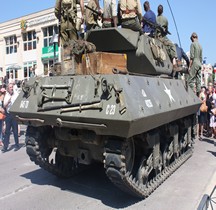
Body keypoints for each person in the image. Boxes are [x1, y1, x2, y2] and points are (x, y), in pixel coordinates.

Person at [156, 4, 178, 69]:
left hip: (156, 36)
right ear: (162, 11)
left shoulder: (155, 18)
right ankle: (174, 63)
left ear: (157, 11)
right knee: (172, 46)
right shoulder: (165, 19)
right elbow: (166, 29)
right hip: (162, 37)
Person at [2, 83, 19, 152]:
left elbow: (19, 103)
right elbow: (4, 106)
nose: (11, 88)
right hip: (8, 114)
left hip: (14, 114)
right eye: (10, 87)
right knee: (7, 131)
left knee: (15, 131)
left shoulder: (16, 94)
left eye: (12, 87)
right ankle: (5, 147)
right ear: (8, 89)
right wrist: (8, 102)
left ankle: (17, 145)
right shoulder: (6, 95)